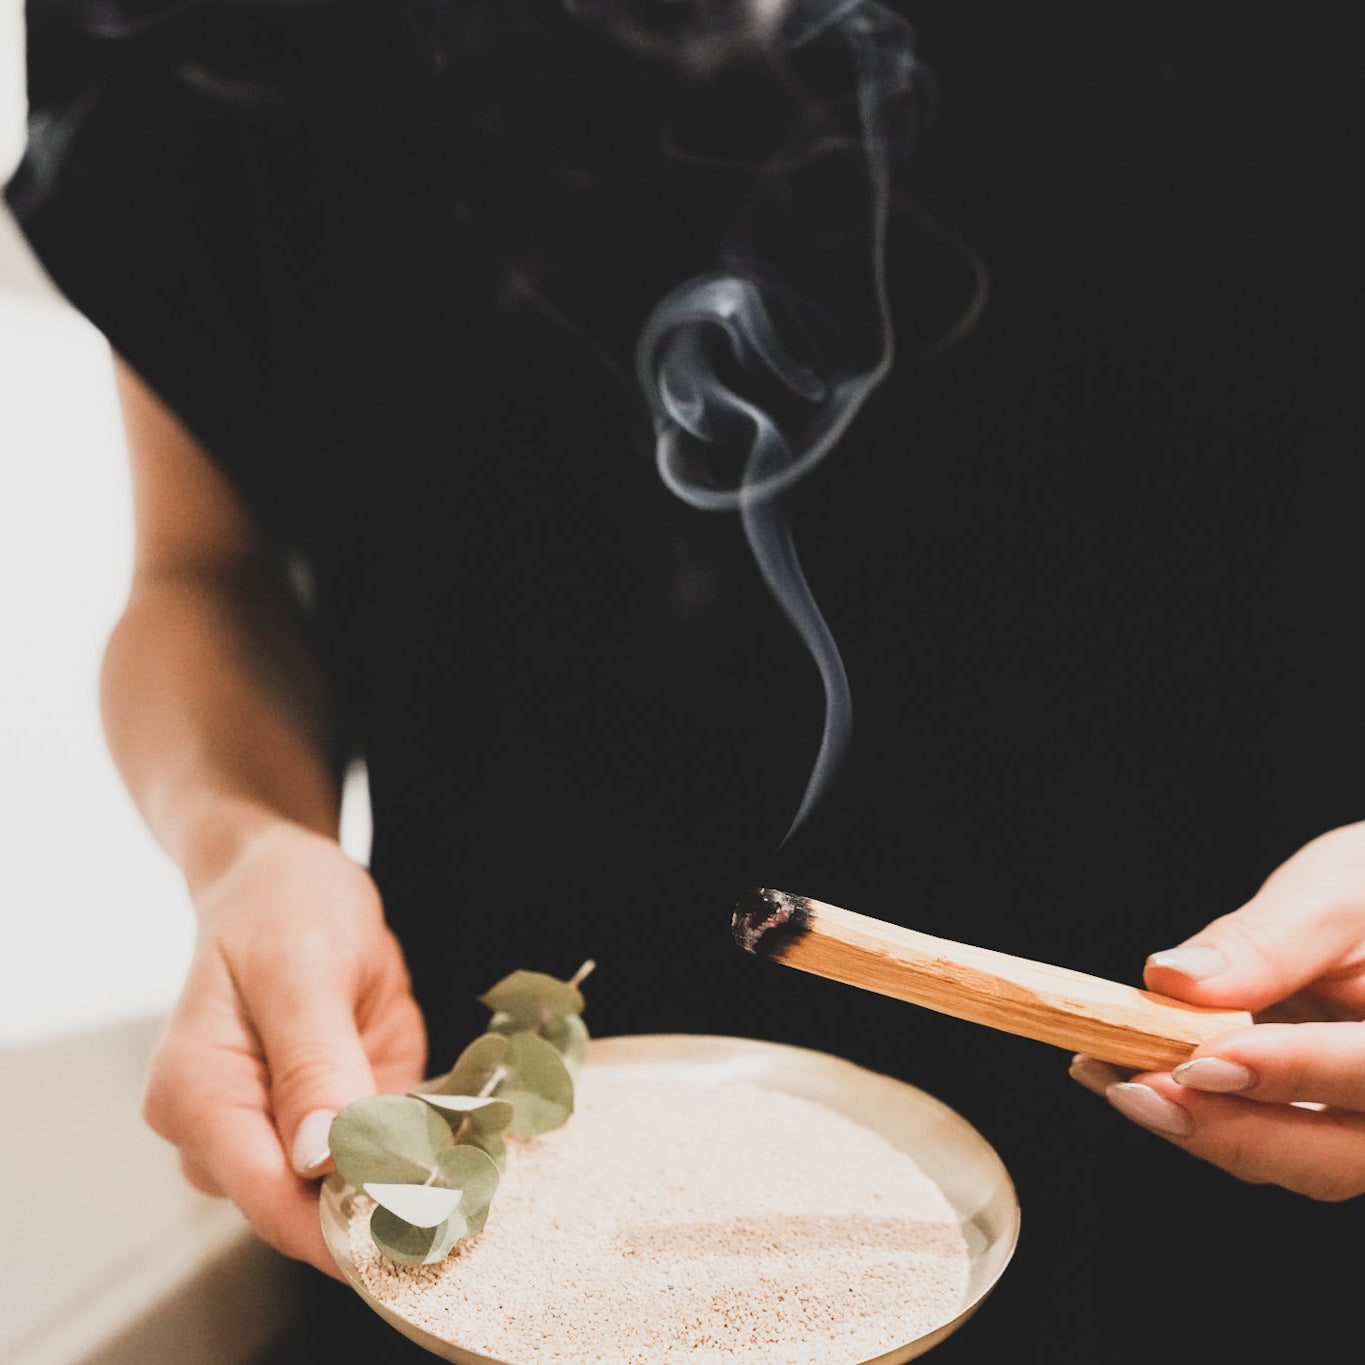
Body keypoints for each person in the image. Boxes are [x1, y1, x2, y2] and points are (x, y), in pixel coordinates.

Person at [8, 1, 1361, 1361]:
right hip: (483, 1194)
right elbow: (202, 577)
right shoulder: (196, 32)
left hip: (1239, 1184)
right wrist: (250, 847)